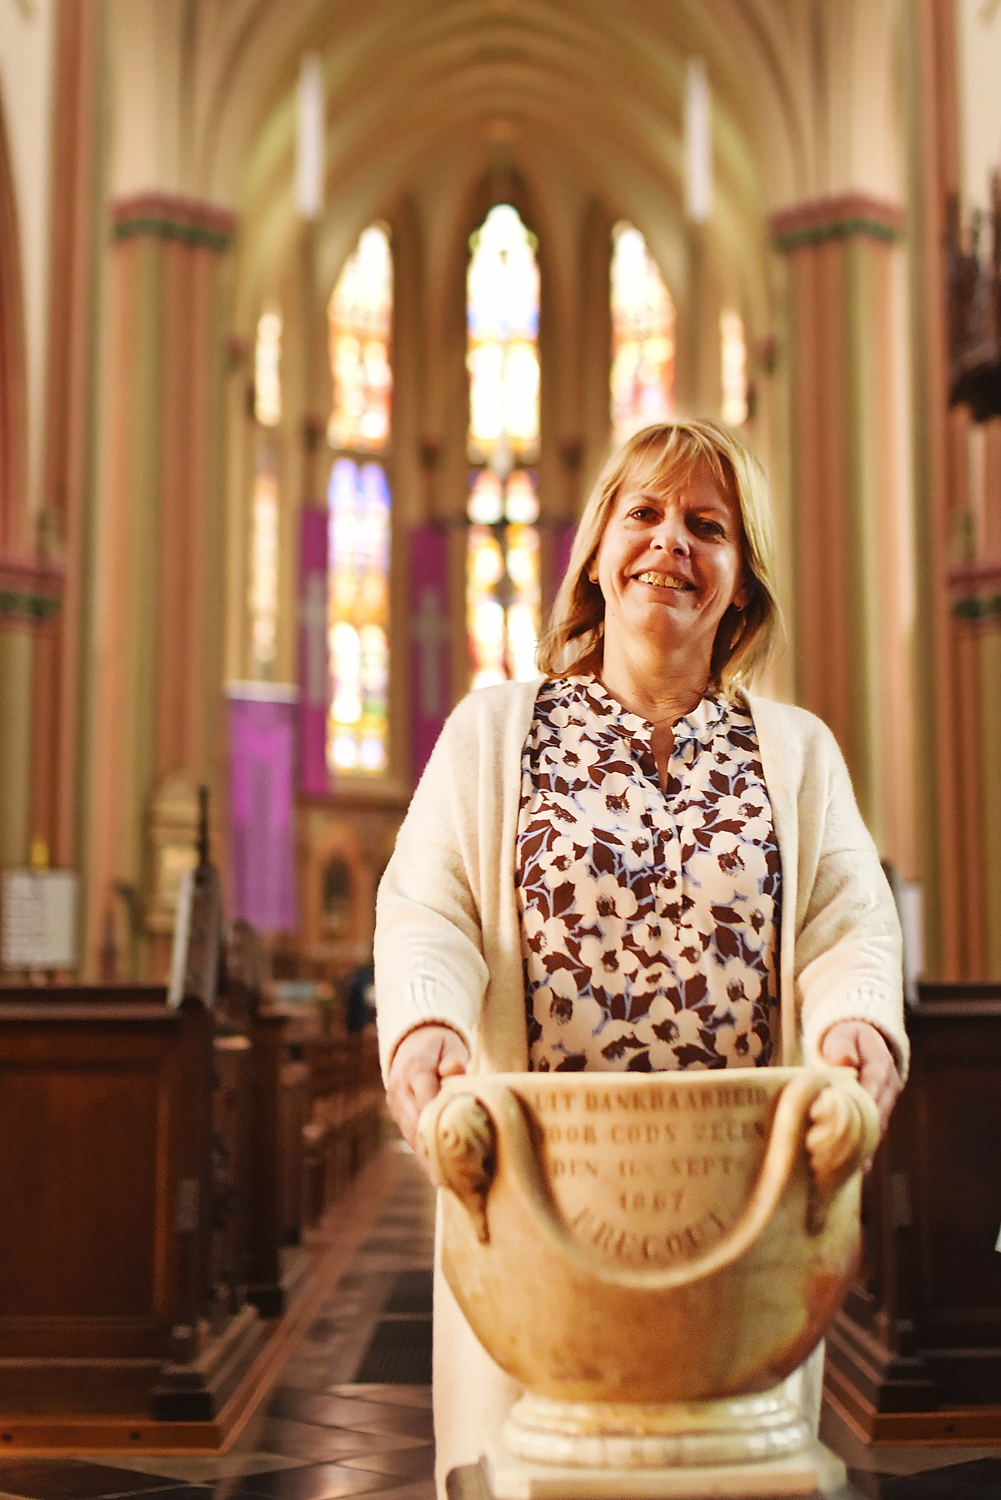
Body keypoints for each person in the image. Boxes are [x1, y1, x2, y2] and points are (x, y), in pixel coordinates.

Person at [374, 419, 907, 1492]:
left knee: (718, 1469)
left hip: (735, 1206)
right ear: (597, 556)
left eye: (706, 526)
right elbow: (428, 905)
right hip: (540, 1194)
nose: (670, 543)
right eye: (645, 514)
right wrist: (427, 1020)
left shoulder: (796, 752)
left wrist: (854, 1019)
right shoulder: (491, 732)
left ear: (738, 586)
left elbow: (848, 922)